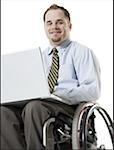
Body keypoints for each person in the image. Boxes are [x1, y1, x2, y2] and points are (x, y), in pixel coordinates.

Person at [1, 4, 101, 150]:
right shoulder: (38, 58)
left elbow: (93, 90)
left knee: (34, 108)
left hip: (69, 108)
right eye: (49, 23)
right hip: (40, 104)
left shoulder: (81, 52)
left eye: (59, 22)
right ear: (45, 28)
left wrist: (57, 95)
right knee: (3, 112)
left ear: (69, 25)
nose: (54, 26)